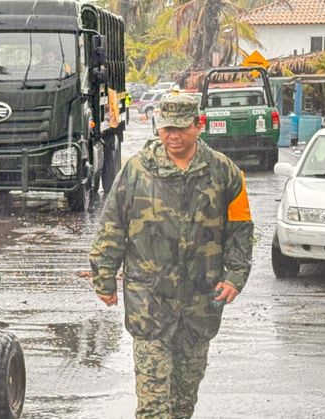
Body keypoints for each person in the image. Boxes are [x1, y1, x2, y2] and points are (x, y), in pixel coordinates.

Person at [89, 94, 253, 419]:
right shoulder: (136, 171)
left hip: (200, 303)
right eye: (165, 129)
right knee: (152, 406)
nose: (172, 136)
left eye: (180, 128)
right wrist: (103, 277)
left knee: (182, 401)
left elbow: (241, 229)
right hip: (149, 301)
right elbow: (111, 226)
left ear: (197, 125)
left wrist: (236, 276)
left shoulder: (224, 173)